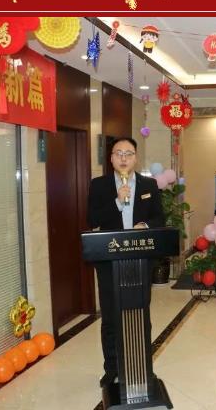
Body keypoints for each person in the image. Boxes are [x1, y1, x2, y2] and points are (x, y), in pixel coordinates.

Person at [86, 137, 165, 387]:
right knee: (110, 318)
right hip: (109, 261)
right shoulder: (99, 185)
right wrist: (118, 202)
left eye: (128, 153)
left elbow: (159, 218)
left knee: (140, 314)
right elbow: (92, 219)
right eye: (118, 153)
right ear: (111, 158)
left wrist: (146, 225)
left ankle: (143, 368)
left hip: (139, 260)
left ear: (135, 158)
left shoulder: (149, 184)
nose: (123, 158)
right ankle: (111, 370)